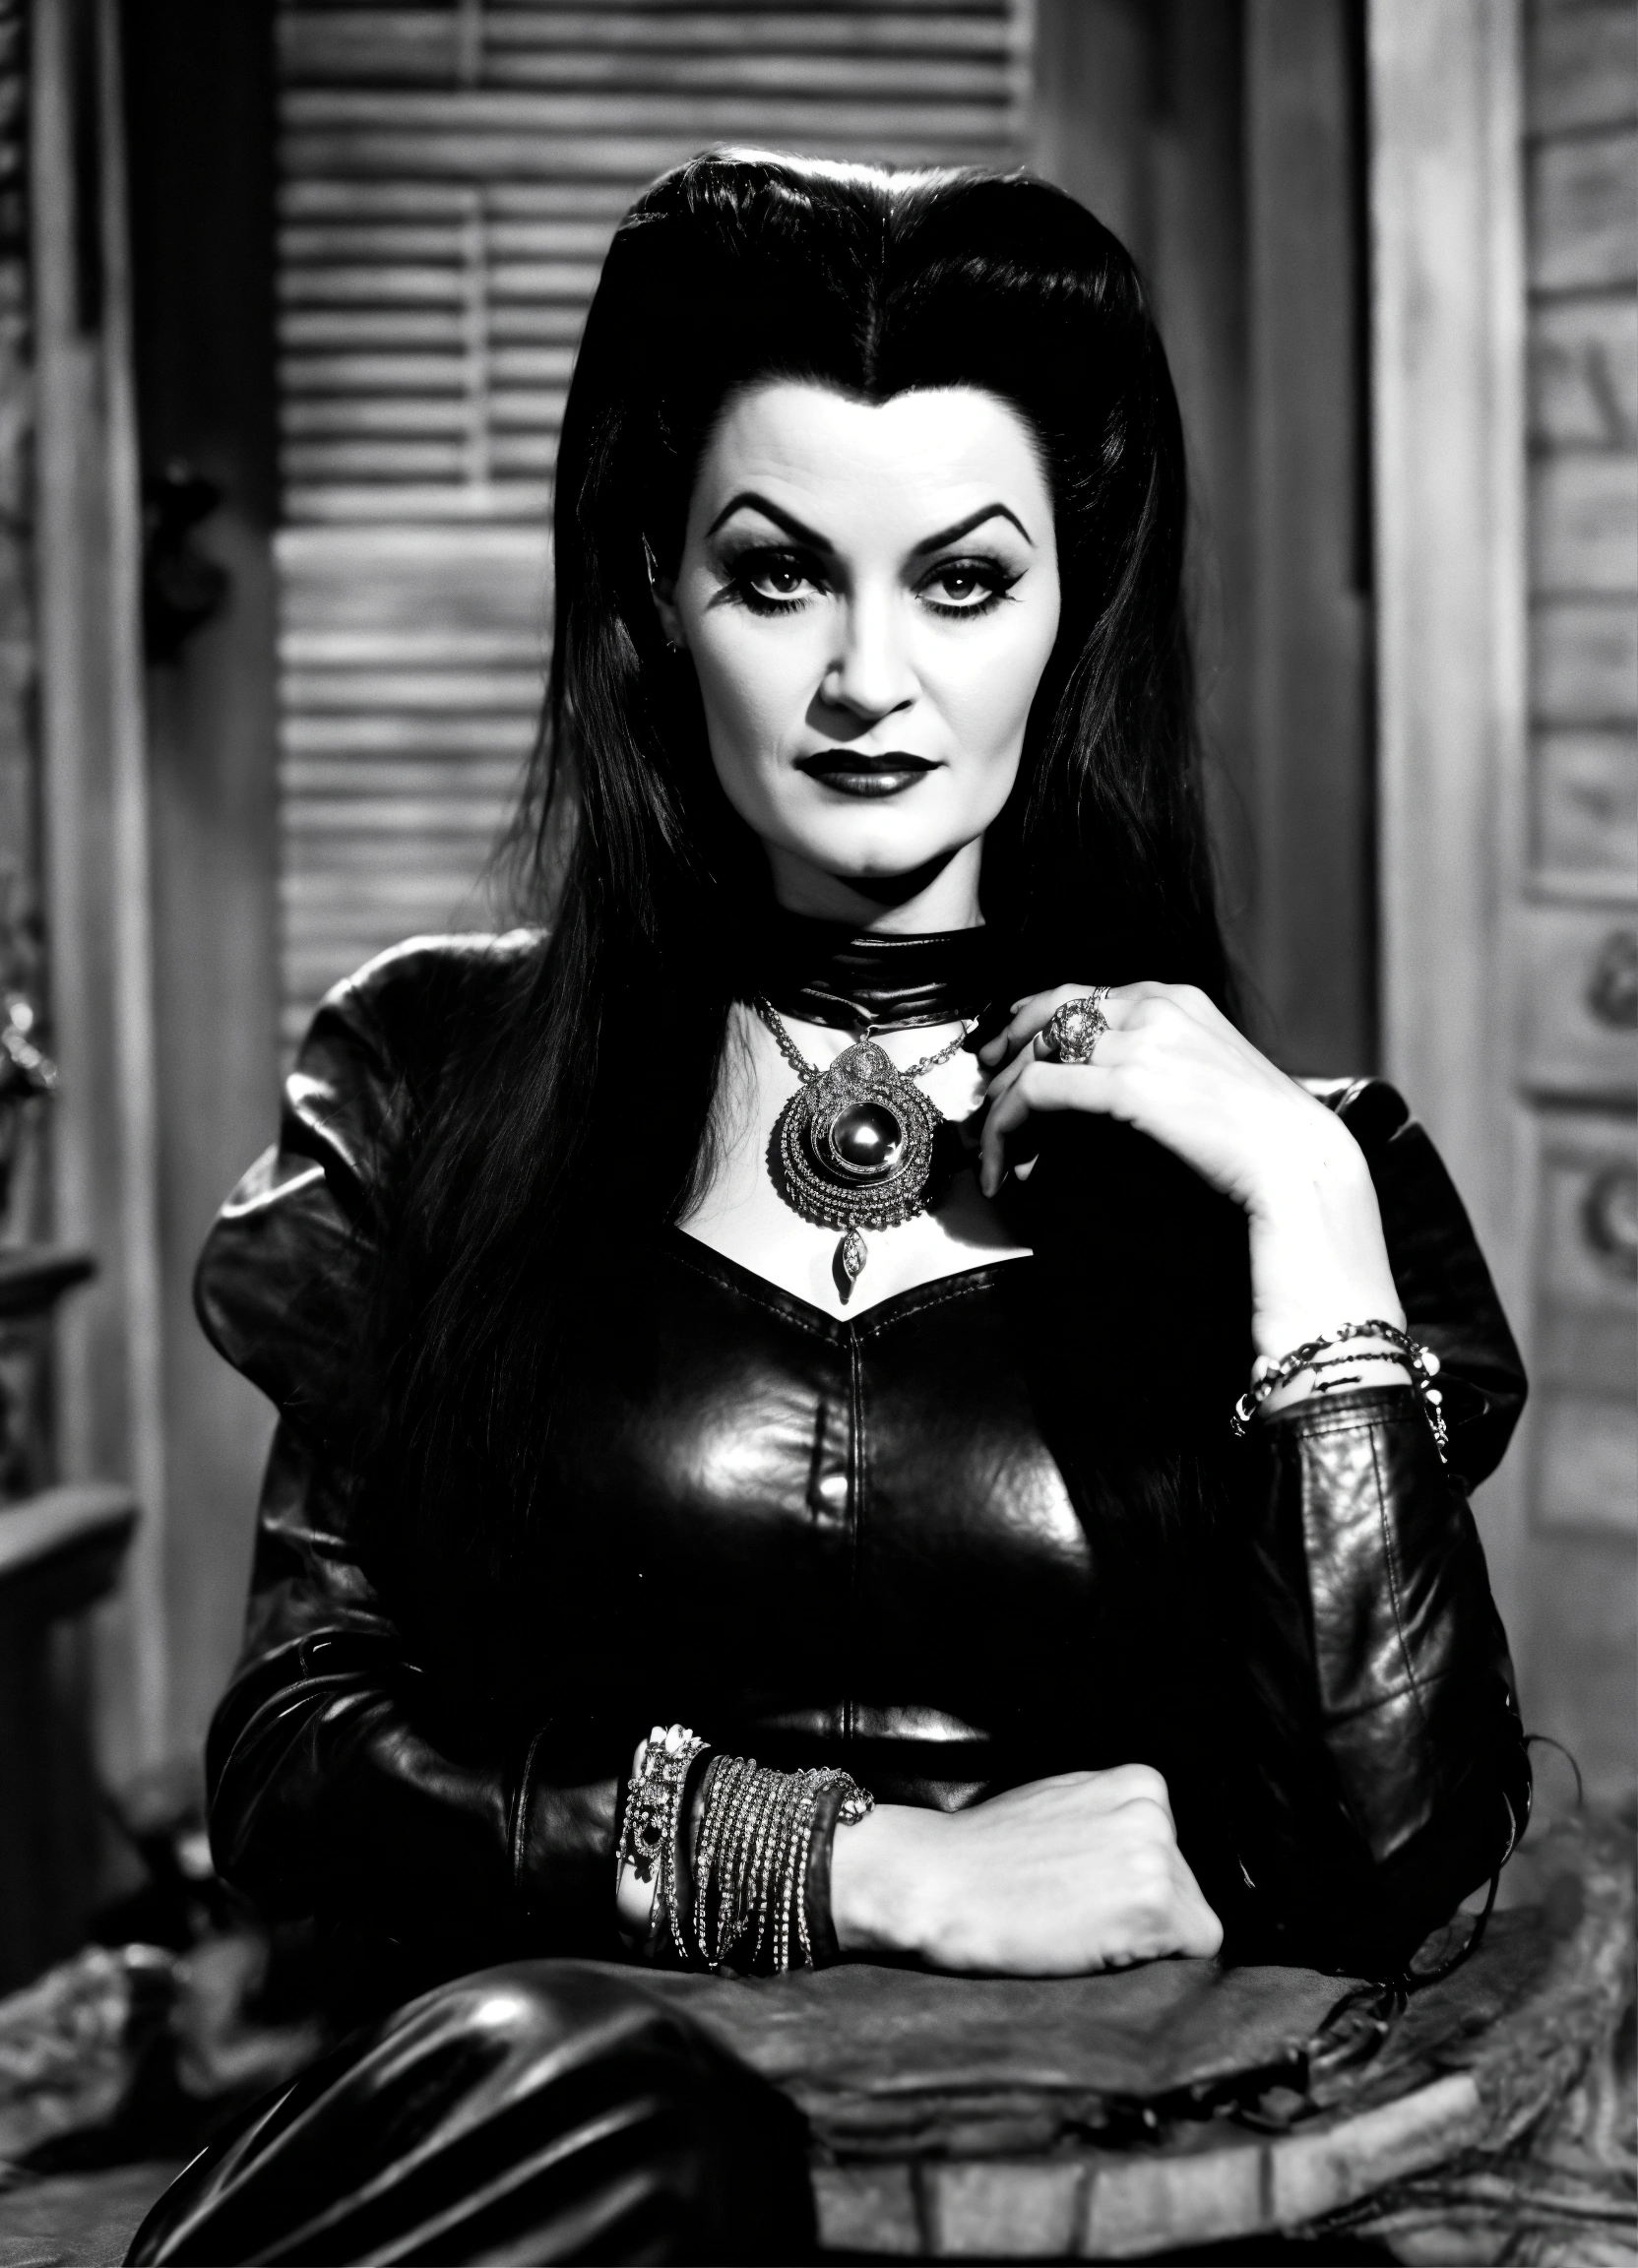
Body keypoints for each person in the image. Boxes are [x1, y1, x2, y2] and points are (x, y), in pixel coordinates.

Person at [129, 151, 1531, 2264]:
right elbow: (300, 1763)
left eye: (962, 583)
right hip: (558, 2146)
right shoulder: (430, 1078)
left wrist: (1310, 1208)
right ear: (653, 594)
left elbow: (1391, 1871)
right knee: (619, 2118)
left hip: (1095, 2160)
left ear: (1073, 610)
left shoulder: (1291, 1168)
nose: (870, 675)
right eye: (780, 577)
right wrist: (853, 1866)